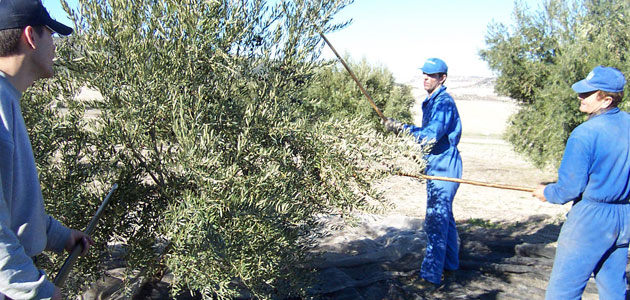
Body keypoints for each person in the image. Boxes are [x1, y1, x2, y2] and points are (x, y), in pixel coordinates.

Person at [0, 0, 94, 299]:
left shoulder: (8, 99)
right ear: (30, 36)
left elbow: (13, 202)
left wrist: (59, 235)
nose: (54, 45)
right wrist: (38, 292)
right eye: (50, 34)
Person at [532, 66, 630, 300]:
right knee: (613, 288)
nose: (580, 97)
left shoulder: (584, 133)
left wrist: (547, 192)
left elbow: (569, 189)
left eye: (588, 94)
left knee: (563, 292)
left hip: (590, 220)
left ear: (606, 100)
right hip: (624, 218)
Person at [383, 57, 462, 289]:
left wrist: (401, 129)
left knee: (436, 220)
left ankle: (430, 278)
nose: (425, 78)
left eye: (431, 75)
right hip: (437, 162)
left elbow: (429, 136)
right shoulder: (431, 101)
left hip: (445, 166)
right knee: (445, 219)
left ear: (442, 78)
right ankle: (450, 268)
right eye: (424, 74)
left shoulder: (444, 103)